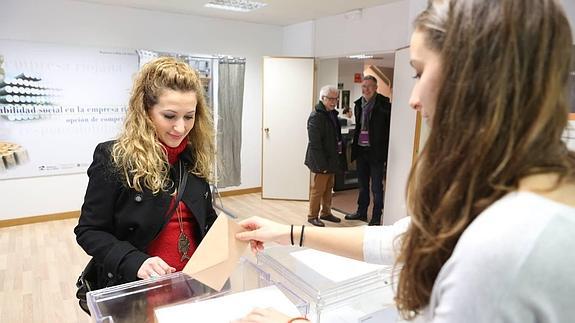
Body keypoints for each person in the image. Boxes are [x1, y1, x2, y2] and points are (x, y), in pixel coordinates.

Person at [234, 0, 575, 322]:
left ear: (477, 79)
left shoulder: (506, 247)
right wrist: (289, 232)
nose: (413, 98)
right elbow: (403, 240)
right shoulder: (518, 188)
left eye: (418, 72)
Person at [74, 57, 217, 288]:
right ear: (145, 111)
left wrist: (232, 237)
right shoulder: (114, 158)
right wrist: (134, 261)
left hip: (192, 283)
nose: (181, 128)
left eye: (189, 116)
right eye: (169, 116)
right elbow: (89, 231)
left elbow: (207, 220)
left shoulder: (193, 157)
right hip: (138, 288)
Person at [345, 75, 392, 226]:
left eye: (369, 86)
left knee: (376, 186)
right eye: (364, 87)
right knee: (363, 185)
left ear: (376, 87)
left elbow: (388, 129)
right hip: (361, 150)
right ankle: (361, 212)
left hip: (376, 152)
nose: (366, 89)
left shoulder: (384, 105)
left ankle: (377, 215)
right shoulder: (358, 104)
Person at [304, 85, 343, 227]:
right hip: (321, 160)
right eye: (330, 99)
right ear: (323, 98)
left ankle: (326, 213)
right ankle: (312, 216)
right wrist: (322, 165)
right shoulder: (316, 116)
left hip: (332, 158)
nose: (334, 102)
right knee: (318, 189)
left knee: (329, 187)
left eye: (336, 99)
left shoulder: (332, 114)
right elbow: (315, 143)